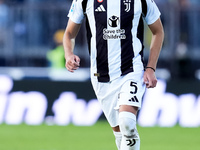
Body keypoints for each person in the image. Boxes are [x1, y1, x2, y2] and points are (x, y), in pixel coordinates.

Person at [63, 0, 164, 149]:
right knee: (120, 134)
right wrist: (69, 54)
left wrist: (151, 68)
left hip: (131, 69)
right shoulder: (84, 1)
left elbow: (158, 31)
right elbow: (69, 33)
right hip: (101, 75)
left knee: (127, 123)